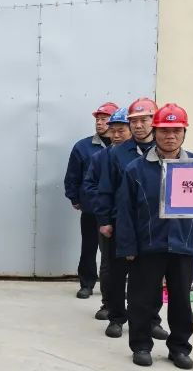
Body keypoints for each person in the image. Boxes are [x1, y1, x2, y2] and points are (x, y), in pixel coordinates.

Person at [116, 104, 193, 368]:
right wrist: (128, 246)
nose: (170, 136)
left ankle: (179, 348)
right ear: (155, 132)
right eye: (164, 131)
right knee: (141, 299)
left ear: (184, 133)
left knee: (182, 300)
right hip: (148, 246)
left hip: (184, 245)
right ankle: (141, 345)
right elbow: (125, 211)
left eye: (176, 131)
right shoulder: (136, 169)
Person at [96, 97, 169, 341]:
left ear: (154, 121)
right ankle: (117, 317)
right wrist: (105, 220)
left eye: (144, 120)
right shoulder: (117, 153)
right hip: (121, 222)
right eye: (134, 121)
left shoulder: (164, 151)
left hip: (152, 225)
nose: (138, 125)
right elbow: (105, 187)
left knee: (152, 276)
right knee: (116, 274)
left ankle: (152, 320)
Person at [81, 107, 130, 322]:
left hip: (137, 220)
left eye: (121, 131)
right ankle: (109, 305)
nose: (116, 135)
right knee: (109, 264)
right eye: (113, 131)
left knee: (142, 268)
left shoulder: (142, 156)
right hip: (109, 218)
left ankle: (145, 314)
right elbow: (90, 185)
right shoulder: (101, 157)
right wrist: (103, 210)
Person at [64, 102, 117, 299]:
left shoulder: (125, 147)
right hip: (91, 207)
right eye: (97, 119)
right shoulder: (83, 146)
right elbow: (73, 175)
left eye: (104, 119)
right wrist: (74, 197)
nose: (99, 123)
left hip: (116, 210)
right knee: (89, 246)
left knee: (113, 251)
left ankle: (113, 288)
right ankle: (86, 283)